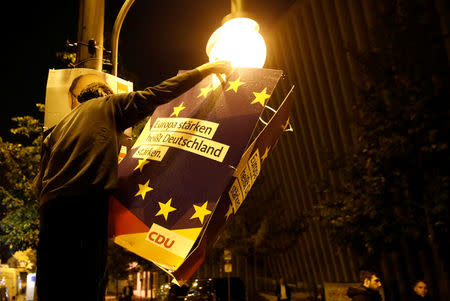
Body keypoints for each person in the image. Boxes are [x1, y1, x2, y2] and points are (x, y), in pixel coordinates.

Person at [33, 60, 231, 301]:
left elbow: (38, 183)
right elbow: (159, 93)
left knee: (52, 282)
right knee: (89, 279)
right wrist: (205, 70)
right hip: (86, 205)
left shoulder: (57, 130)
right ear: (106, 95)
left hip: (50, 210)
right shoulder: (110, 105)